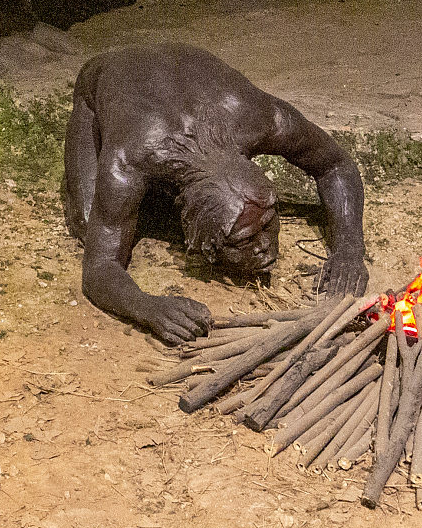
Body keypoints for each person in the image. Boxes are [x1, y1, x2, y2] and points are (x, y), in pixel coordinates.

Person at [63, 44, 368, 342]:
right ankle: (187, 219)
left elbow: (336, 165)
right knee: (88, 223)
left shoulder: (260, 118)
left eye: (268, 223)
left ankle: (198, 217)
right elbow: (99, 269)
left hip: (190, 72)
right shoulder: (130, 159)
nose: (265, 247)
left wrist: (349, 250)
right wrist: (148, 308)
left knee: (131, 212)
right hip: (104, 76)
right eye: (244, 239)